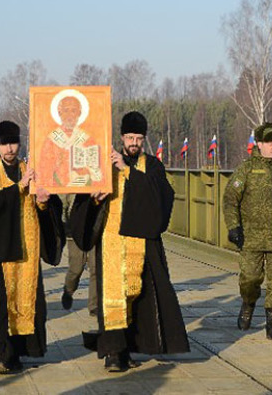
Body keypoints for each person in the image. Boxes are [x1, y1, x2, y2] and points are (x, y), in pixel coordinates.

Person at [70, 111, 189, 372]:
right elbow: (82, 203)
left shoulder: (152, 165)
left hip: (143, 244)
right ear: (121, 137)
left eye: (138, 138)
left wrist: (126, 170)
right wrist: (95, 200)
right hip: (110, 243)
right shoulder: (103, 164)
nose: (133, 142)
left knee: (141, 297)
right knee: (112, 297)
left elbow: (160, 197)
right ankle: (114, 352)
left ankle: (131, 348)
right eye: (129, 137)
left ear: (144, 139)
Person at [0, 121, 65, 374]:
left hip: (26, 251)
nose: (9, 149)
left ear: (19, 144)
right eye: (4, 144)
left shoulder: (33, 170)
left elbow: (47, 206)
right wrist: (19, 187)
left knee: (25, 302)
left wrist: (44, 201)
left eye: (13, 143)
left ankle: (18, 352)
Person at [222, 122, 272, 341]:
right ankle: (248, 303)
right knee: (250, 278)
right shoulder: (246, 169)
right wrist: (233, 227)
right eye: (269, 143)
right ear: (258, 143)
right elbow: (230, 200)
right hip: (251, 237)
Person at [38, 89, 102, 188]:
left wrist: (85, 170)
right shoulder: (51, 140)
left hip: (82, 196)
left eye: (73, 110)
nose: (69, 115)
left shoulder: (87, 139)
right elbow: (44, 171)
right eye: (66, 110)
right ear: (60, 112)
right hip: (56, 196)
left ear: (79, 113)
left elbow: (97, 173)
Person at [60, 194, 97, 316]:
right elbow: (63, 204)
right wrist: (65, 228)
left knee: (95, 269)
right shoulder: (72, 183)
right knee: (76, 269)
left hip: (95, 232)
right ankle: (68, 291)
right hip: (75, 233)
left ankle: (94, 305)